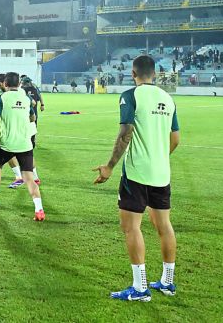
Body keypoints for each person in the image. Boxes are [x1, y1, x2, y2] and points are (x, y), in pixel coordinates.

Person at [92, 55, 180, 301]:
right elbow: (175, 139)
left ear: (133, 73)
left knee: (131, 227)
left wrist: (109, 166)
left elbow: (125, 132)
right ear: (155, 74)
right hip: (161, 173)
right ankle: (167, 282)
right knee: (164, 226)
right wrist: (159, 157)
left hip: (137, 173)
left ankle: (140, 287)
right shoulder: (168, 98)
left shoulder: (130, 96)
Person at [0, 72, 45, 221]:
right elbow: (32, 117)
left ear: (5, 84)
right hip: (25, 143)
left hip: (7, 143)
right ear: (19, 84)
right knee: (28, 177)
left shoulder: (0, 98)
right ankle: (39, 209)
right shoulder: (26, 98)